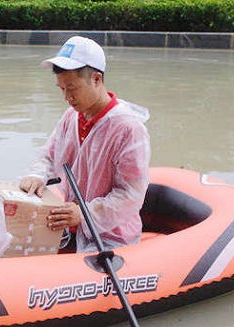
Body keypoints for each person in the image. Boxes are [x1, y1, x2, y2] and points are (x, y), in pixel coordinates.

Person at [19, 36, 151, 253]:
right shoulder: (71, 117)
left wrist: (84, 214)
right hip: (71, 228)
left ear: (96, 79)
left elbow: (130, 195)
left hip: (110, 238)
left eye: (72, 88)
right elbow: (49, 155)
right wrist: (36, 175)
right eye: (61, 89)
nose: (66, 97)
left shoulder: (128, 129)